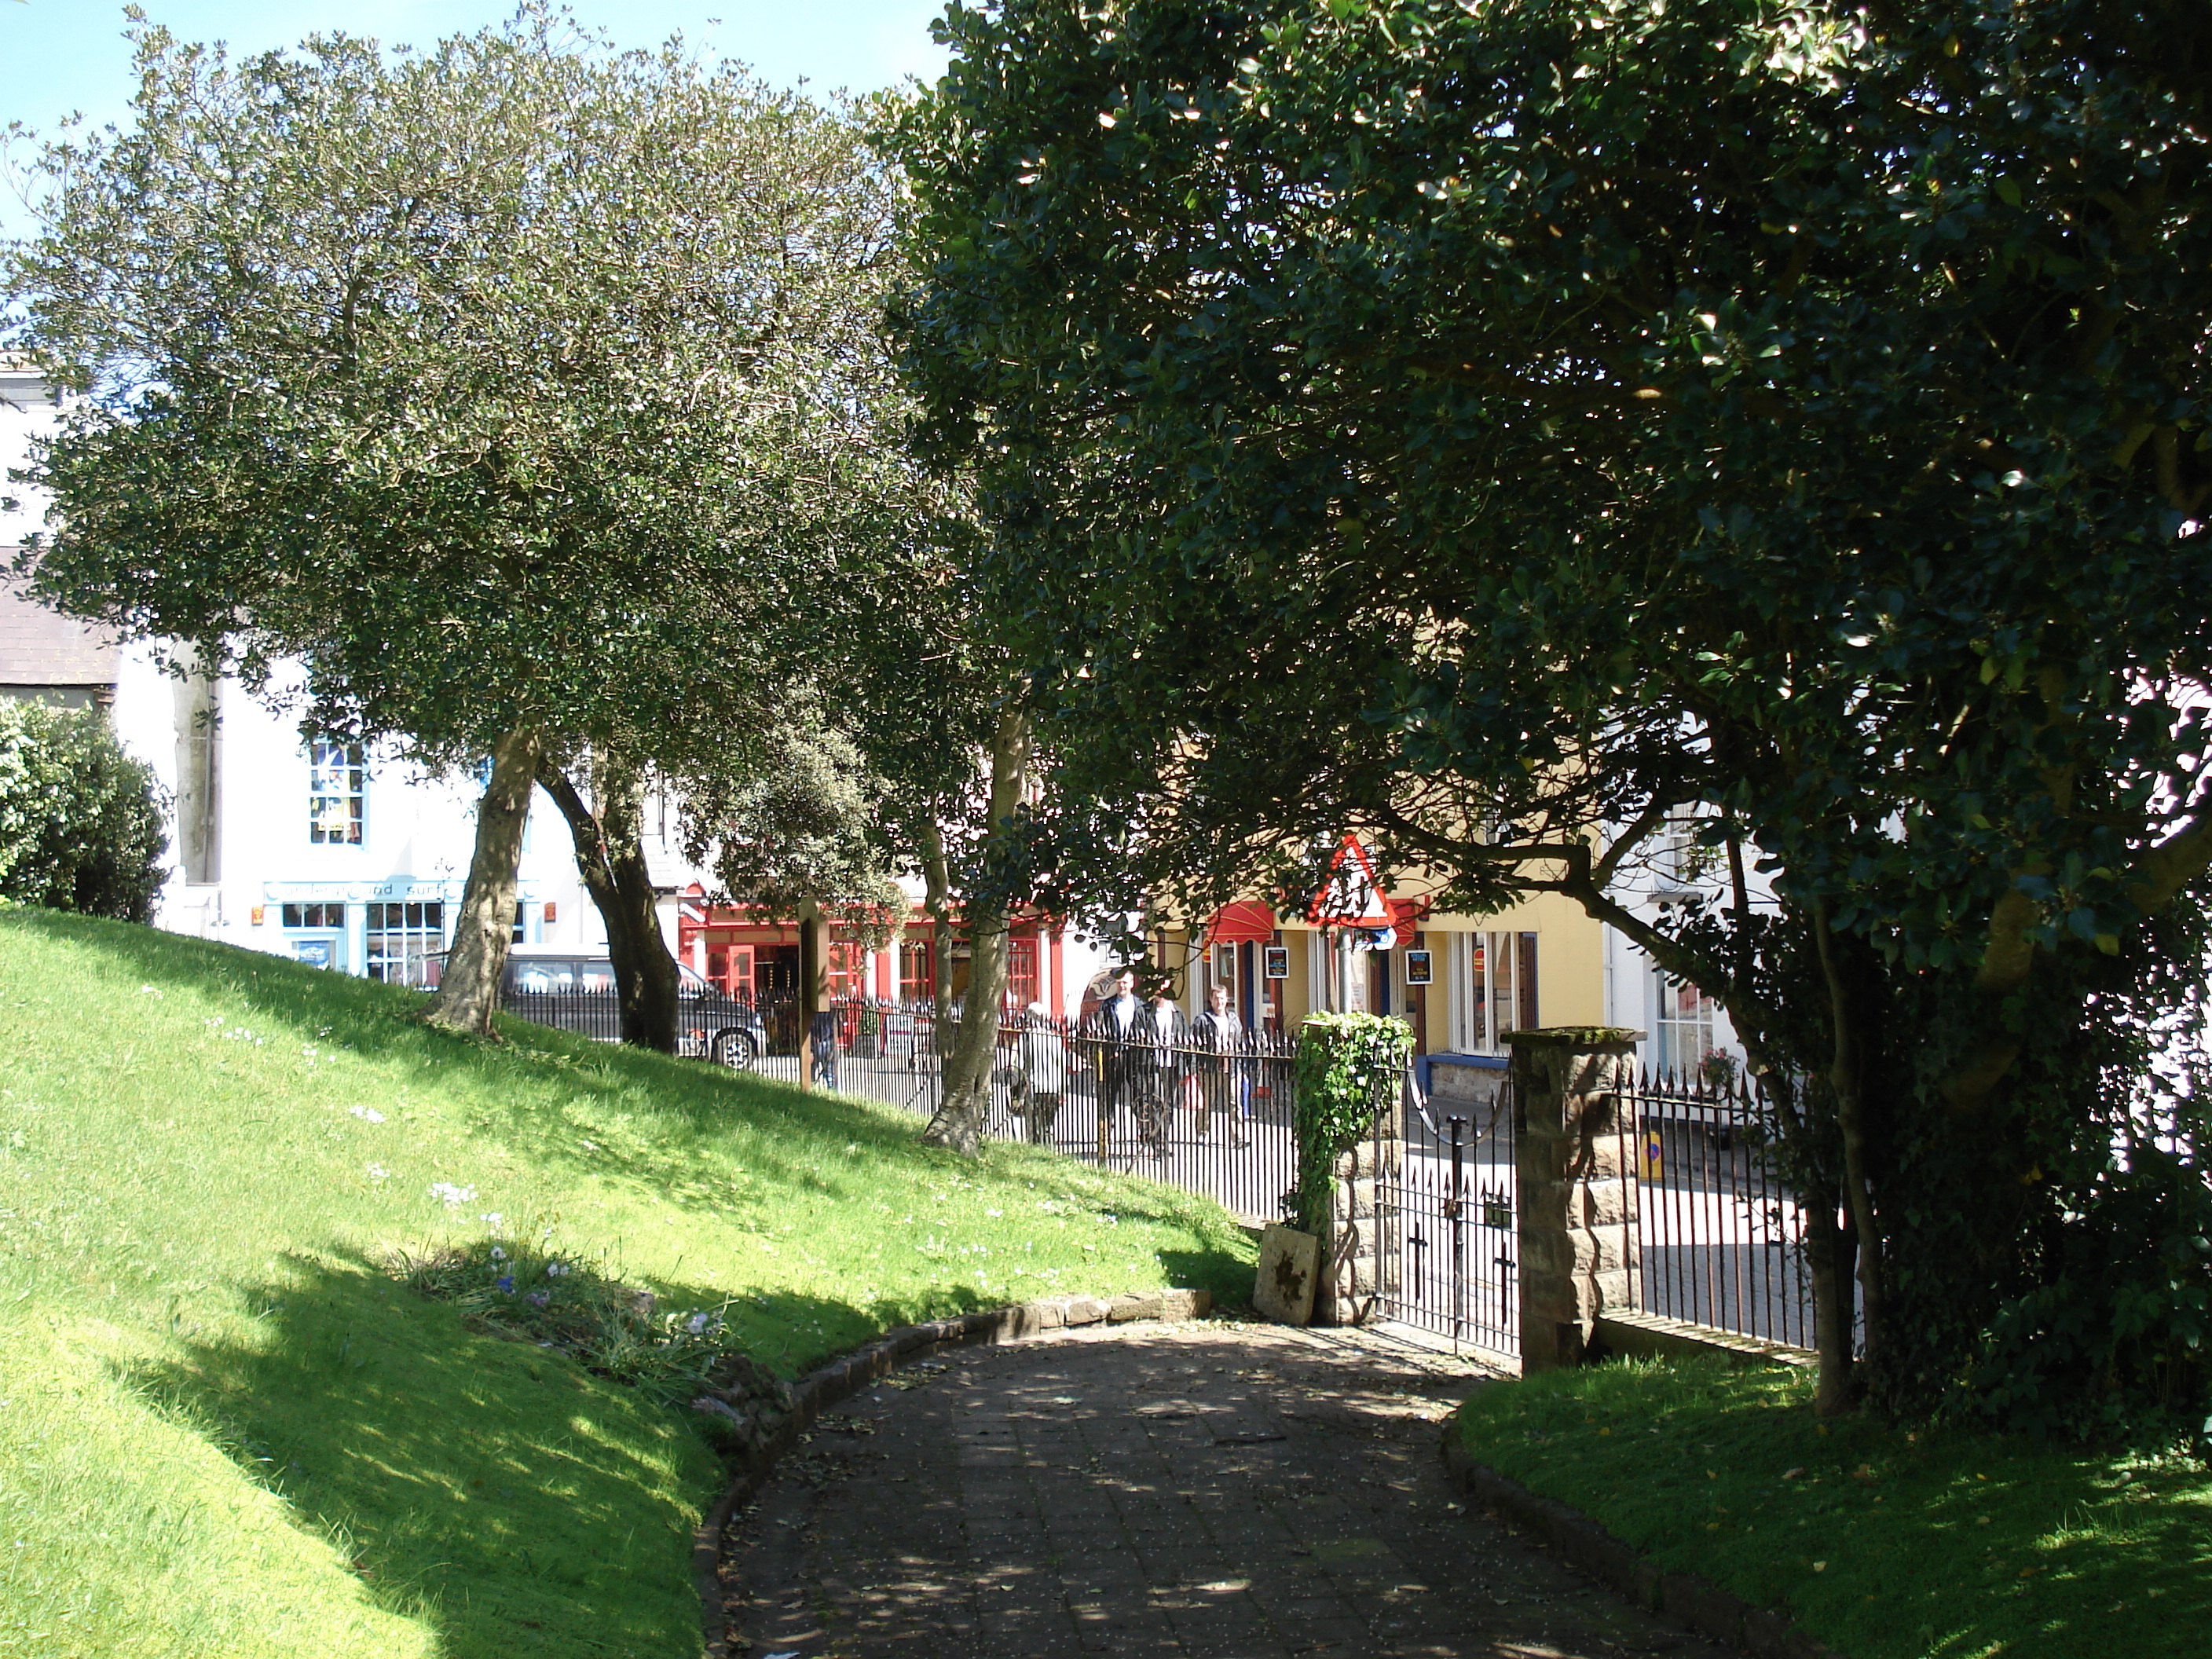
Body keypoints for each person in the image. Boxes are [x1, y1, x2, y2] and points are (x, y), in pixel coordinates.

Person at [1086, 967, 1147, 1152]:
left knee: (1140, 1096)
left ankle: (1144, 1134)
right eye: (1119, 982)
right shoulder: (1108, 1005)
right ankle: (1106, 1136)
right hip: (1114, 1057)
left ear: (1132, 983)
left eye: (1125, 982)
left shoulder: (1141, 1005)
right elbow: (1100, 1029)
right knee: (1109, 1097)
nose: (1122, 985)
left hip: (1134, 1058)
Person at [1192, 982, 1251, 1147]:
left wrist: (1241, 1065)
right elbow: (1195, 1045)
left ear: (1227, 1000)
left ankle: (1237, 1136)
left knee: (1234, 1103)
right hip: (1210, 1067)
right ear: (1211, 1000)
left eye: (1223, 999)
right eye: (1217, 999)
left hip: (1231, 1067)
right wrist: (1196, 1068)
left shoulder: (1233, 1019)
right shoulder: (1203, 1020)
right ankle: (1202, 1132)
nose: (1220, 1002)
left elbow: (1240, 1042)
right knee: (1207, 1102)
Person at [1137, 983, 1188, 1160]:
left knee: (1169, 1105)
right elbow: (1137, 1038)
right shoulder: (1143, 1012)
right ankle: (1158, 1144)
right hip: (1152, 1065)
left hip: (1172, 1065)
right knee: (1156, 1102)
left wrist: (1188, 1070)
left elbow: (1185, 1041)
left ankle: (1164, 1140)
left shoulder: (1178, 1013)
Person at [1014, 1001, 1068, 1144]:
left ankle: (1036, 1151)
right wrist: (1063, 1090)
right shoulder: (1055, 1039)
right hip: (1053, 1088)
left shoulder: (1026, 1038)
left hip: (1035, 1088)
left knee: (1034, 1126)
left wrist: (1016, 1093)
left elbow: (1019, 1067)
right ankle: (1048, 1149)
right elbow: (1062, 1066)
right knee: (1048, 1125)